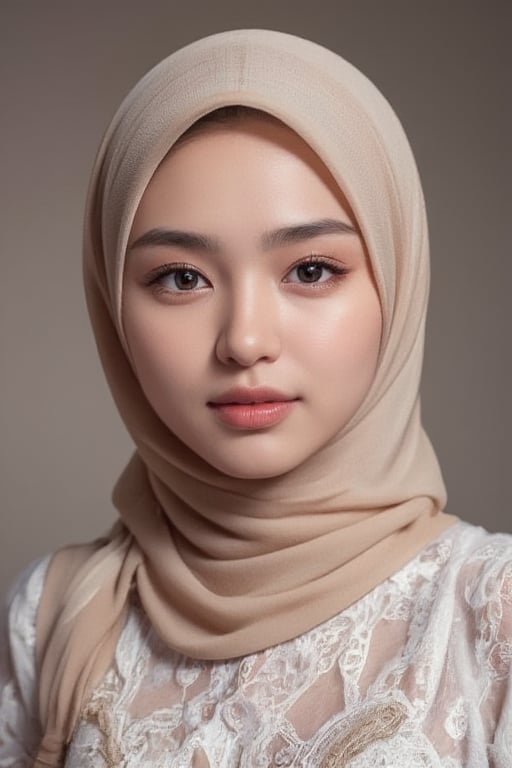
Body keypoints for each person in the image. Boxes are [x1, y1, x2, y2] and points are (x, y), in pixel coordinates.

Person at [1, 28, 510, 767]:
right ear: (112, 304)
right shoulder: (51, 618)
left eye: (309, 269)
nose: (244, 340)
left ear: (397, 283)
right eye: (181, 277)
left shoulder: (488, 617)